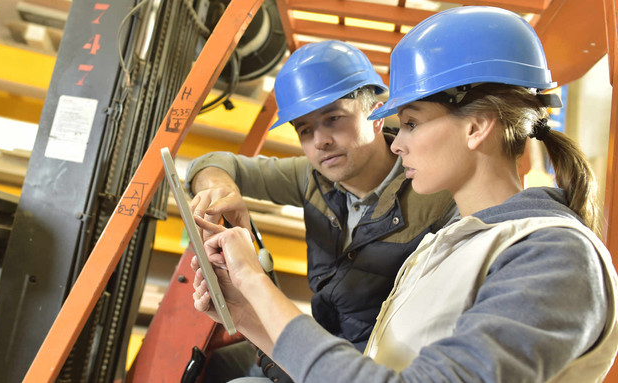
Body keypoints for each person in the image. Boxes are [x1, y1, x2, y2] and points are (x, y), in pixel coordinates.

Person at [191, 6, 618, 383]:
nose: (397, 144)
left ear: (477, 125)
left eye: (411, 122)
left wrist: (255, 281)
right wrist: (246, 310)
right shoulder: (443, 248)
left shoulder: (555, 254)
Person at [185, 40, 456, 382]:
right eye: (305, 130)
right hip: (321, 342)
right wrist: (217, 188)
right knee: (214, 366)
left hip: (372, 368)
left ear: (377, 113)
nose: (320, 141)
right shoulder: (312, 177)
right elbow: (211, 162)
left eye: (333, 120)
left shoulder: (434, 194)